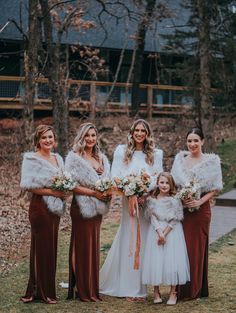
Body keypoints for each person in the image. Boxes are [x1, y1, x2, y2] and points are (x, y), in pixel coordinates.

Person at [99, 119, 163, 301]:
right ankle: (130, 288)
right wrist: (130, 191)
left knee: (144, 243)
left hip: (147, 203)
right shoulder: (121, 152)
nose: (140, 133)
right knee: (129, 240)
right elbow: (115, 176)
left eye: (143, 130)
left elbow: (158, 177)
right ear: (132, 132)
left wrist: (144, 191)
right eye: (137, 130)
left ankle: (142, 286)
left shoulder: (156, 154)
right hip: (129, 204)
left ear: (148, 133)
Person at [171, 127, 223, 300]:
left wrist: (199, 201)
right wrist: (181, 198)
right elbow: (173, 186)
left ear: (202, 141)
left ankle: (195, 289)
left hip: (201, 211)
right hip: (183, 211)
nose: (192, 144)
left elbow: (215, 188)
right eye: (189, 141)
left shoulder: (211, 161)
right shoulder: (179, 161)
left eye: (195, 140)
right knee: (181, 248)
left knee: (197, 248)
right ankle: (179, 288)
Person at [20, 124, 68, 304]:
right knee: (41, 247)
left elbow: (63, 181)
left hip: (55, 209)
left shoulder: (58, 158)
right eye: (44, 138)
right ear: (38, 141)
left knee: (52, 246)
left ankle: (48, 289)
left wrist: (64, 191)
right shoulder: (32, 159)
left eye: (50, 137)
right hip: (39, 208)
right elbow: (30, 186)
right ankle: (38, 291)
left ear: (54, 140)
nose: (48, 140)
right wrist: (54, 192)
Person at [65, 122, 110, 302]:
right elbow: (71, 185)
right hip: (81, 207)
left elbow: (107, 182)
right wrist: (94, 193)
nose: (91, 139)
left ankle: (91, 285)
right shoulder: (74, 158)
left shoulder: (101, 158)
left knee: (92, 246)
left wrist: (106, 193)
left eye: (93, 135)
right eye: (87, 136)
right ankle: (81, 288)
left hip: (97, 209)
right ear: (81, 137)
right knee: (80, 245)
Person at [142, 172, 190, 305]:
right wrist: (159, 232)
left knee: (172, 260)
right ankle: (156, 291)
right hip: (156, 231)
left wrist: (166, 232)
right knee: (156, 260)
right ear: (157, 183)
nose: (164, 185)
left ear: (171, 185)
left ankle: (173, 293)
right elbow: (152, 216)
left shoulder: (175, 199)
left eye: (167, 183)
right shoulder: (152, 199)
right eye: (162, 182)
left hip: (172, 231)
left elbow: (176, 217)